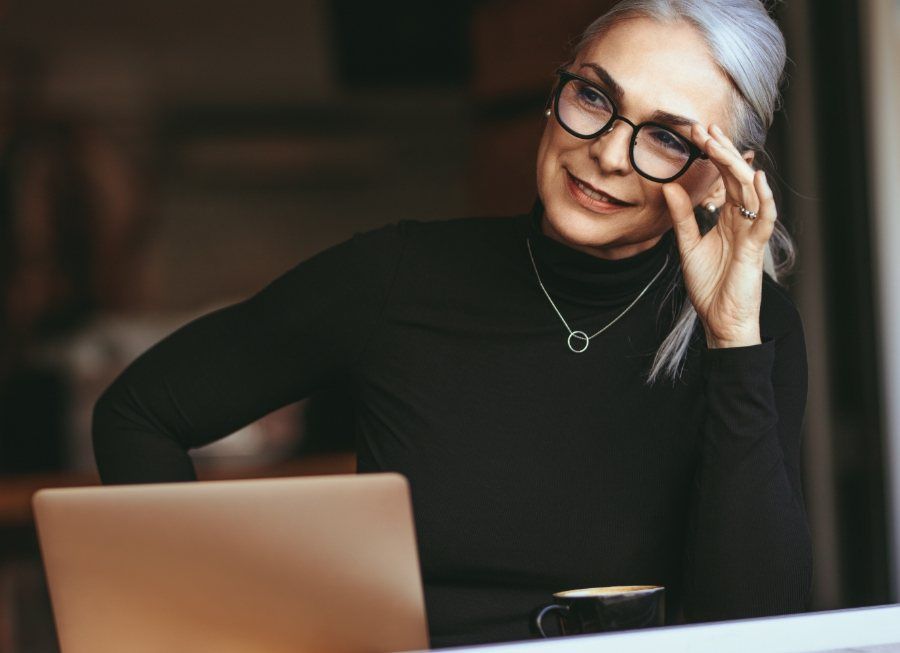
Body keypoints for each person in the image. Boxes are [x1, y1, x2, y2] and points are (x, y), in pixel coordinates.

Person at [91, 0, 813, 648]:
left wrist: (732, 341)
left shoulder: (753, 335)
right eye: (594, 96)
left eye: (665, 137)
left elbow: (750, 627)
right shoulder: (396, 276)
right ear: (556, 92)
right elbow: (139, 412)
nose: (607, 153)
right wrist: (196, 624)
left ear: (718, 176)